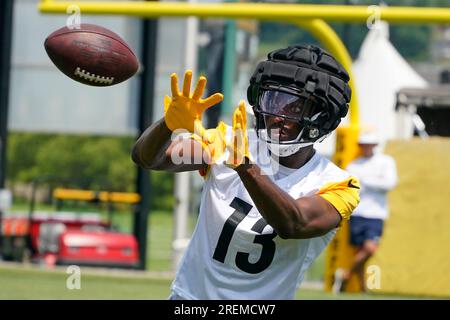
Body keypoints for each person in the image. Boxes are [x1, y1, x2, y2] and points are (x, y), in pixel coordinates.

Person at [132, 44, 360, 300]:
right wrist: (168, 124)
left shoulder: (339, 184)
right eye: (273, 99)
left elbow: (294, 223)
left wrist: (245, 166)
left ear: (323, 118)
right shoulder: (226, 141)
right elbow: (149, 158)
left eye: (295, 107)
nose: (278, 115)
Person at [336, 130, 398, 292]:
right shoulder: (354, 165)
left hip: (376, 214)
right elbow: (349, 187)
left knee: (370, 249)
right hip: (357, 213)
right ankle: (362, 289)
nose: (366, 148)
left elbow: (389, 184)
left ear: (375, 145)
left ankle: (347, 276)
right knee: (359, 252)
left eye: (369, 145)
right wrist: (373, 183)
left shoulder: (386, 161)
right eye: (363, 145)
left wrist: (364, 181)